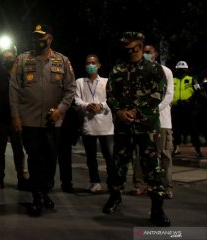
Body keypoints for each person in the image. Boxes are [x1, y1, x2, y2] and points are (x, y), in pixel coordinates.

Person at [102, 32, 170, 227]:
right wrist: (119, 111)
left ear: (139, 45)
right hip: (123, 126)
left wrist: (135, 110)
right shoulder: (118, 69)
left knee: (152, 168)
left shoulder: (154, 69)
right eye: (124, 44)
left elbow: (158, 94)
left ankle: (157, 208)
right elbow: (110, 94)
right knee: (118, 164)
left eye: (129, 44)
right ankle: (115, 196)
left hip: (147, 127)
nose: (126, 47)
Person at [9, 24, 76, 216]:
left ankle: (45, 190)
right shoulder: (22, 60)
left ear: (50, 39)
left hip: (53, 120)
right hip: (29, 120)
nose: (37, 40)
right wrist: (15, 116)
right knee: (34, 159)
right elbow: (14, 89)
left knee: (50, 159)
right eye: (34, 37)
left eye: (41, 37)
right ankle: (37, 196)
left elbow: (70, 89)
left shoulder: (62, 61)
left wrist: (61, 110)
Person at [74, 54, 115, 193]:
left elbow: (112, 100)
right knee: (91, 158)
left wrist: (101, 106)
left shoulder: (107, 81)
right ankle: (95, 182)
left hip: (106, 127)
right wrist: (87, 105)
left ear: (99, 65)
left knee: (109, 157)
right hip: (88, 126)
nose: (91, 65)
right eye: (88, 63)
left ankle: (112, 182)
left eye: (93, 62)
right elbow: (77, 100)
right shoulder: (80, 82)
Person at [0, 48, 29, 191]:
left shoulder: (21, 74)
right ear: (2, 60)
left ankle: (21, 179)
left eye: (10, 57)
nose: (8, 59)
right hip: (1, 119)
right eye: (5, 57)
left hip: (17, 119)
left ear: (15, 58)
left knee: (18, 151)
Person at [143, 44, 174, 199]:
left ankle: (167, 186)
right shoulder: (141, 71)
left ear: (155, 54)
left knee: (164, 155)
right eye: (144, 53)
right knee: (147, 154)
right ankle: (150, 185)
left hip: (162, 121)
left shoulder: (166, 71)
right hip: (146, 121)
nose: (146, 55)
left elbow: (169, 95)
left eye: (148, 52)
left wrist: (155, 109)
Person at [171, 61, 194, 156]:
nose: (181, 72)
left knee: (192, 128)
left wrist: (189, 101)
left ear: (186, 70)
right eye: (179, 70)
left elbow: (198, 93)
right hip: (176, 108)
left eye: (183, 70)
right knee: (176, 129)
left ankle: (197, 149)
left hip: (188, 108)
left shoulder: (192, 80)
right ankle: (176, 148)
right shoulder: (172, 80)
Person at [57, 100, 80, 193]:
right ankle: (46, 183)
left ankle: (66, 183)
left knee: (65, 155)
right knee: (49, 155)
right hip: (53, 114)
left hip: (67, 121)